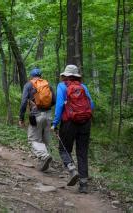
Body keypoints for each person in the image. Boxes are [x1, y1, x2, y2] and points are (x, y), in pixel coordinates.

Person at [51, 64, 94, 193]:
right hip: (85, 122)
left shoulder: (62, 86)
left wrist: (55, 123)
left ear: (66, 75)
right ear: (76, 76)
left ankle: (71, 169)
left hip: (69, 122)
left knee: (63, 148)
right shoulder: (83, 87)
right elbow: (91, 104)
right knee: (82, 152)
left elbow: (59, 106)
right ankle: (84, 185)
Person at [19, 68, 56, 172]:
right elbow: (54, 100)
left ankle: (44, 157)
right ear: (40, 75)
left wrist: (21, 118)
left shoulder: (28, 85)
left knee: (33, 139)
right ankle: (45, 162)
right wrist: (46, 108)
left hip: (36, 115)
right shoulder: (47, 84)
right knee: (45, 139)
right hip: (48, 115)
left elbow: (23, 102)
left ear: (31, 76)